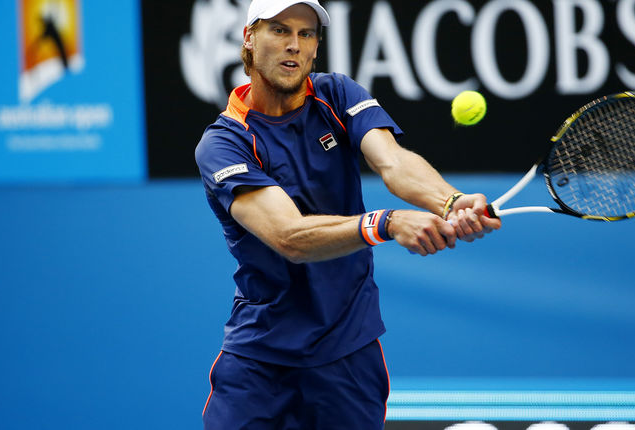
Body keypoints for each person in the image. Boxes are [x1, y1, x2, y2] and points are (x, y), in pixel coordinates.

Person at [194, 0, 502, 428]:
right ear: (249, 37)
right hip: (259, 361)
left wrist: (450, 201)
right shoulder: (224, 144)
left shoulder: (337, 94)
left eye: (306, 34)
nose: (294, 46)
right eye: (279, 31)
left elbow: (392, 162)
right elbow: (289, 237)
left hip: (348, 355)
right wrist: (389, 223)